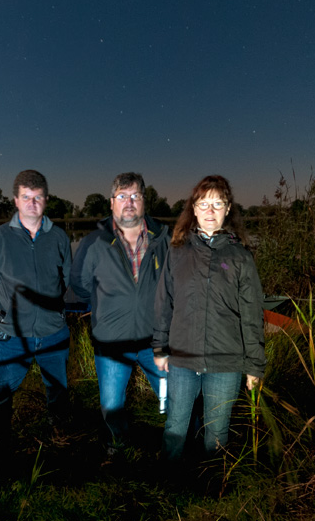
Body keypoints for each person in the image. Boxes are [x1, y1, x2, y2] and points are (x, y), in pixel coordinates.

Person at [152, 174, 265, 462]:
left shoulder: (240, 257)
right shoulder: (177, 252)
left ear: (228, 209)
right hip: (182, 357)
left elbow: (251, 314)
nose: (210, 211)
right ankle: (168, 484)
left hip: (225, 361)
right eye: (204, 203)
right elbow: (165, 302)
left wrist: (254, 365)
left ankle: (214, 487)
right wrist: (160, 347)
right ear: (193, 208)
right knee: (176, 425)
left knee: (217, 433)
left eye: (217, 203)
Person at [71, 172, 170, 454]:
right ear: (112, 202)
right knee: (112, 405)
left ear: (144, 202)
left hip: (156, 342)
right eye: (123, 196)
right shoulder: (94, 242)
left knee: (173, 397)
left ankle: (179, 446)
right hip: (111, 344)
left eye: (136, 196)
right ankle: (120, 445)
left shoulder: (163, 238)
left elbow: (176, 280)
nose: (130, 202)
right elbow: (79, 285)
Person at [0, 169, 72, 439]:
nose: (32, 203)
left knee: (57, 386)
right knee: (3, 385)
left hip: (52, 330)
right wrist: (7, 310)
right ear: (16, 200)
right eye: (26, 197)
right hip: (12, 332)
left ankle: (59, 428)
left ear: (46, 200)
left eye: (38, 197)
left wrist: (49, 306)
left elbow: (65, 277)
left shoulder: (59, 237)